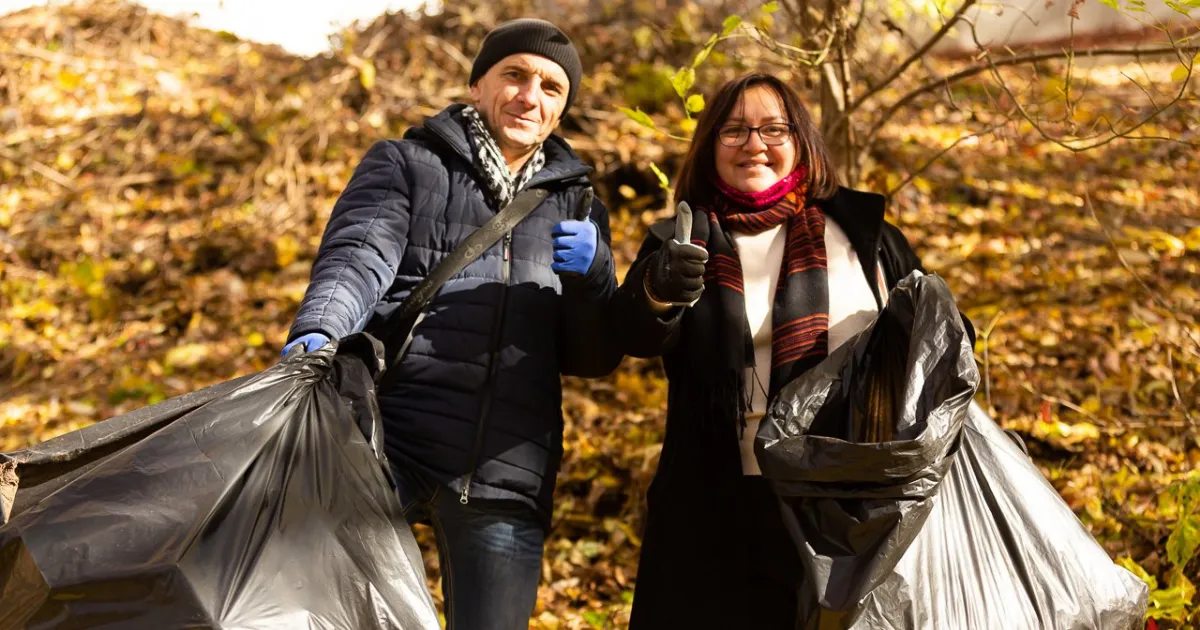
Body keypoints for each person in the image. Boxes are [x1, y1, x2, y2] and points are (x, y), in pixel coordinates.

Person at [280, 18, 620, 630]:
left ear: (561, 111)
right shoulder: (408, 164)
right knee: (330, 616)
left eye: (551, 87)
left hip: (507, 470)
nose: (530, 96)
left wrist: (596, 279)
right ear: (477, 85)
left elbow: (592, 358)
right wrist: (319, 331)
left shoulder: (580, 204)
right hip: (386, 445)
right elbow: (358, 258)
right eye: (515, 75)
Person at [609, 72, 977, 628]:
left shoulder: (864, 235)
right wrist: (657, 289)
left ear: (801, 142)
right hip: (717, 509)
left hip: (850, 508)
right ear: (710, 146)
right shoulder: (681, 239)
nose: (754, 144)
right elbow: (632, 334)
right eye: (734, 130)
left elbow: (940, 342)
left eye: (773, 129)